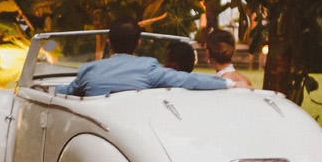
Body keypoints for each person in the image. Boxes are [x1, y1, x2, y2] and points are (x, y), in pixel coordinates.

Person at [66, 18, 231, 97]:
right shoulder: (148, 68)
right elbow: (190, 80)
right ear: (138, 43)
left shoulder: (88, 70)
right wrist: (227, 83)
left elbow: (65, 92)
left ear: (109, 43)